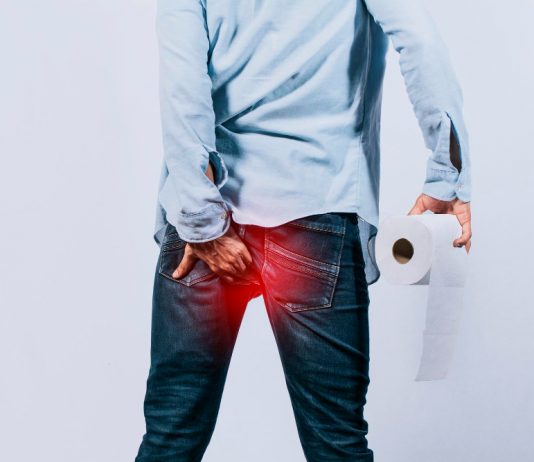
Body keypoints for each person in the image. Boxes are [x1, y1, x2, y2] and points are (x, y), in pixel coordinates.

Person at [135, 0, 472, 460]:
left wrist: (202, 220)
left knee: (170, 437)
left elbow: (181, 82)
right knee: (337, 445)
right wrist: (447, 175)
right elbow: (420, 39)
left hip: (204, 225)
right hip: (314, 211)